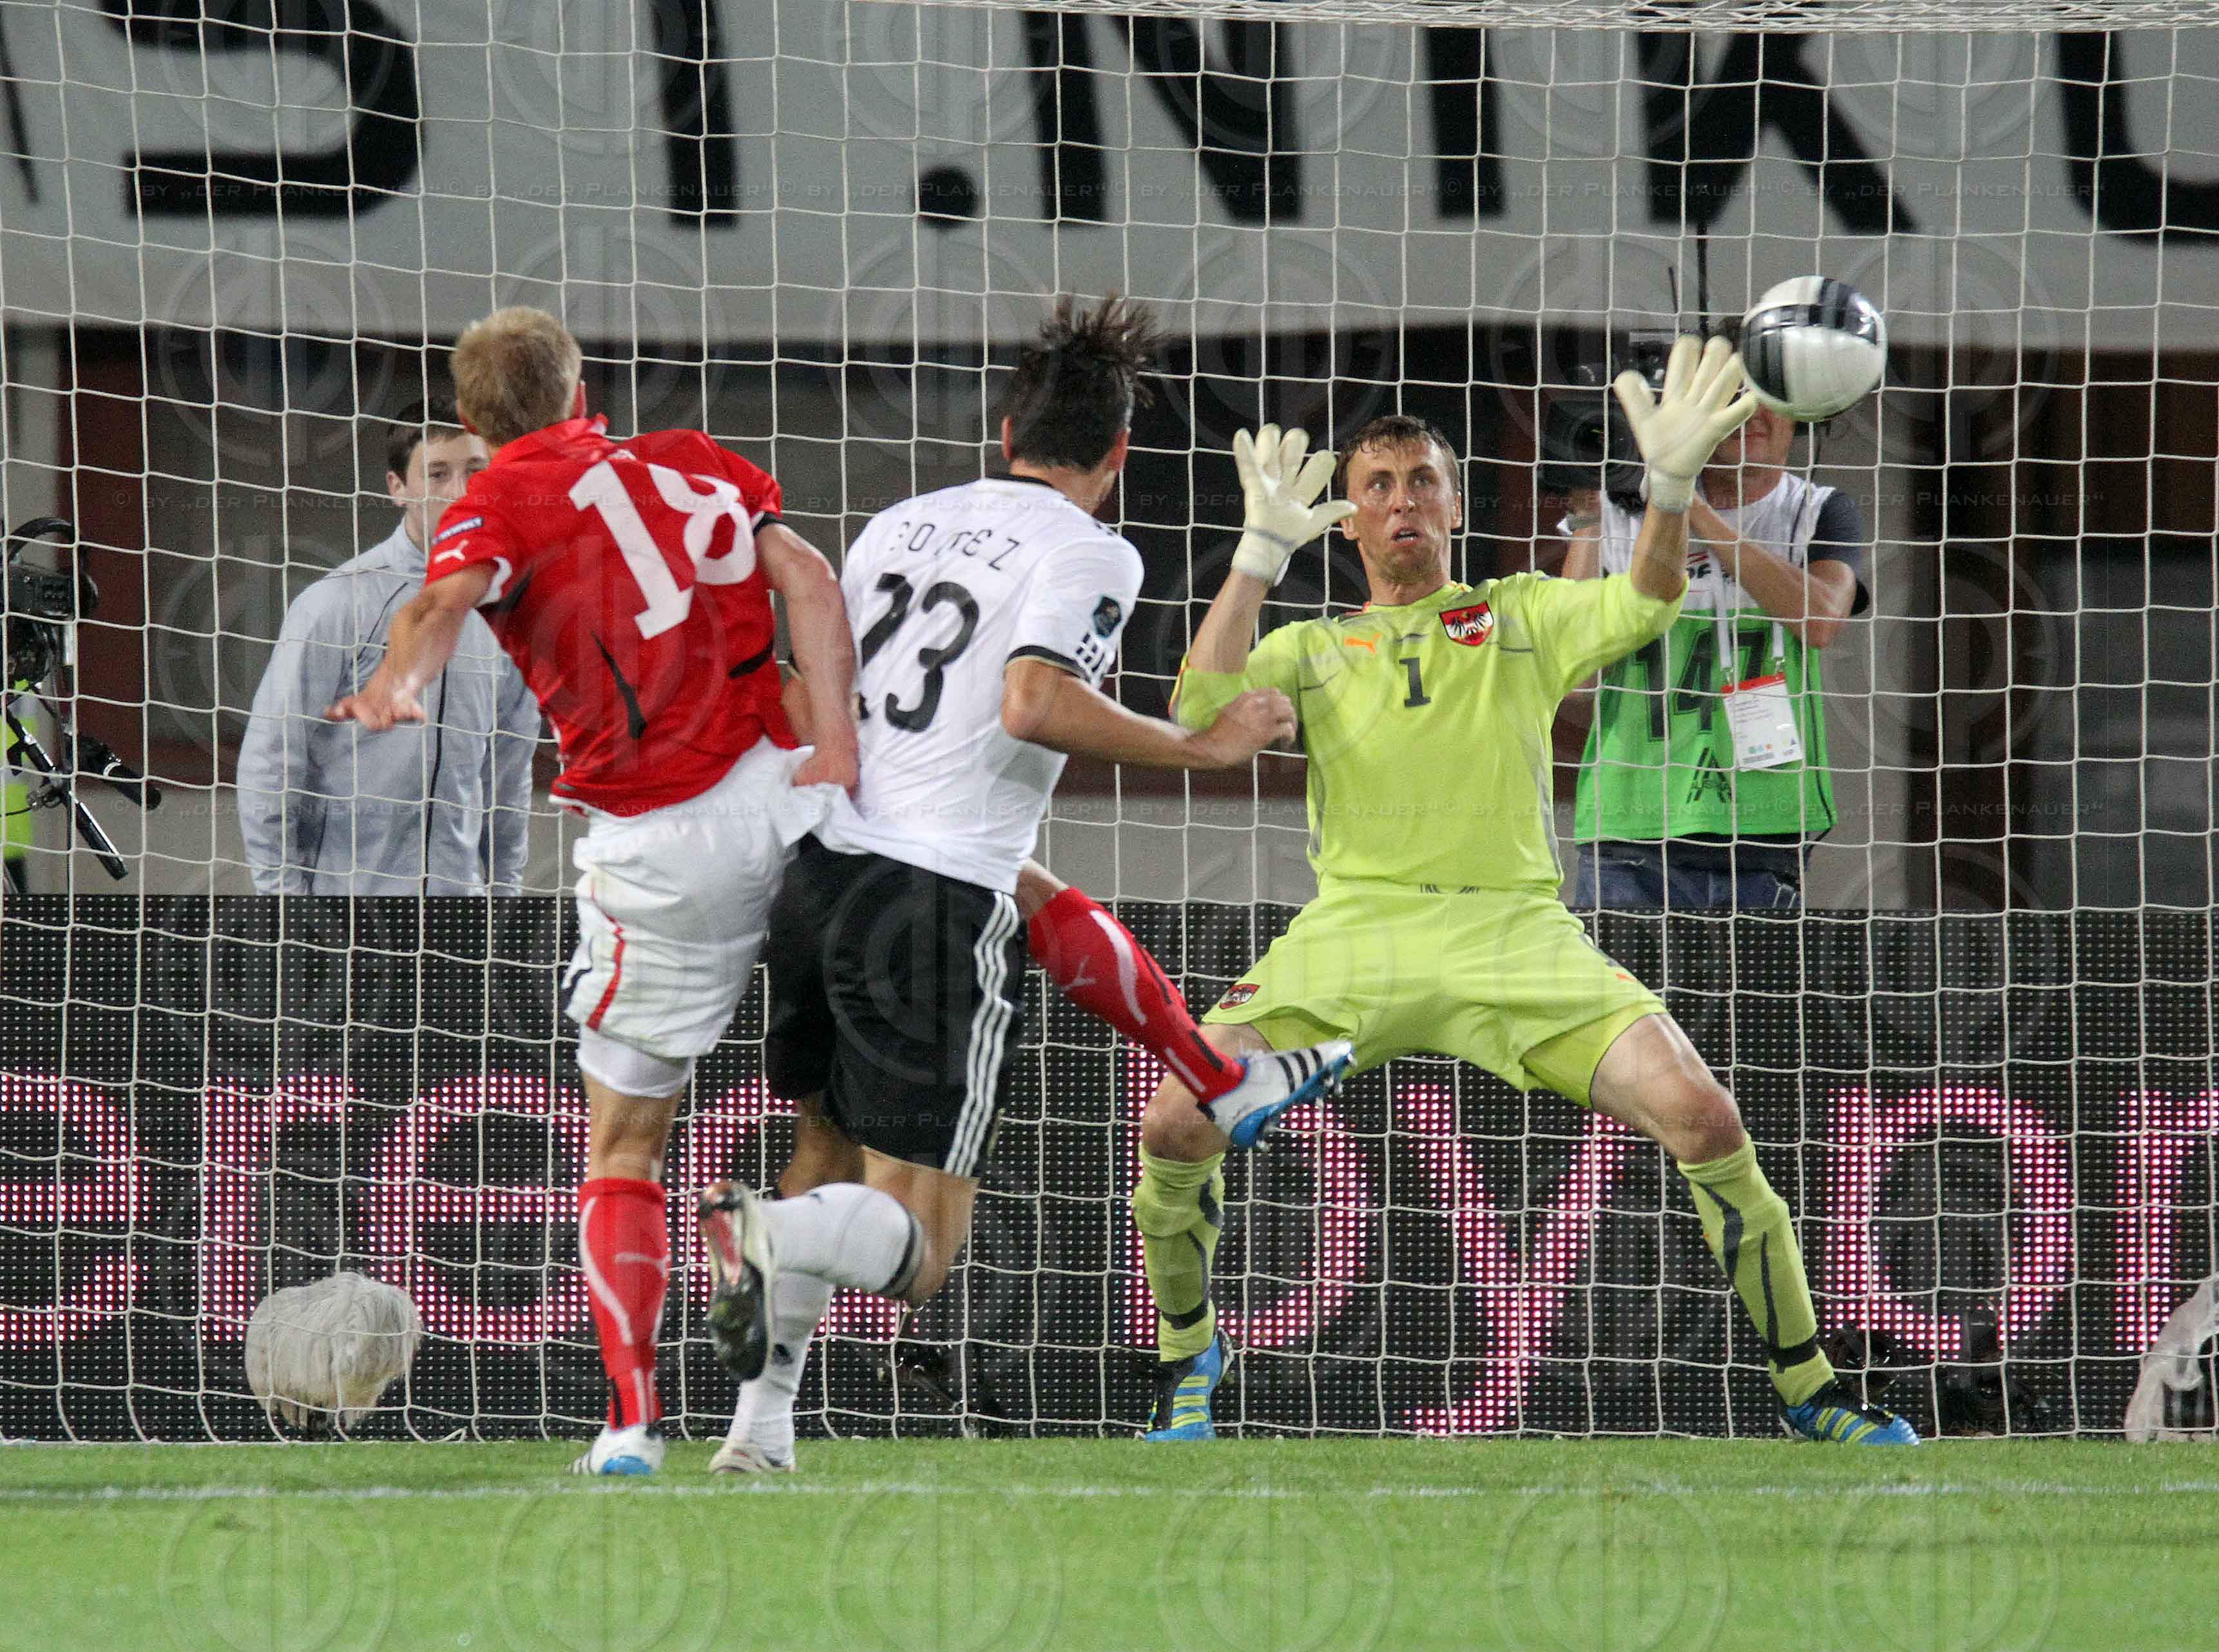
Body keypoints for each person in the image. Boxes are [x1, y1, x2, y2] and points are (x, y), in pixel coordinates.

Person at [1135, 338, 1917, 1445]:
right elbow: (1194, 702)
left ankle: (1811, 1389)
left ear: (1453, 507)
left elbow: (1645, 597)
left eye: (1421, 482)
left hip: (1511, 930)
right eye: (1376, 486)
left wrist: (1668, 489)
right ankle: (1185, 1363)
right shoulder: (1312, 644)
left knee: (1703, 1116)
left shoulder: (1514, 612)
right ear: (1348, 521)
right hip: (1353, 932)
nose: (1400, 500)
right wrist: (1256, 554)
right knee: (1172, 1119)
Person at [700, 295, 1354, 1476]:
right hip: (928, 908)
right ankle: (763, 1235)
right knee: (918, 1245)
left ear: (1003, 432)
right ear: (1115, 456)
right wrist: (1201, 744)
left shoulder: (895, 523)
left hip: (820, 869)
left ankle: (758, 1429)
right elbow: (1032, 700)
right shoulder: (1090, 548)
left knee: (826, 1149)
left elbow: (833, 692)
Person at [327, 306, 863, 1476]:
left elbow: (438, 603)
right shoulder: (692, 459)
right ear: (582, 388)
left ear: (471, 422)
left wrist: (396, 684)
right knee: (830, 1105)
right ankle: (764, 1399)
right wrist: (836, 746)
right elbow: (810, 577)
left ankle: (630, 1420)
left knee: (625, 1148)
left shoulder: (496, 497)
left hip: (663, 842)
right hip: (797, 795)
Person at [1559, 385, 1871, 909]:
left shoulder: (1820, 510)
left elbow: (1819, 619)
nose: (1750, 414)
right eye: (1731, 397)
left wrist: (1687, 502)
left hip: (1762, 822)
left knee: (1756, 996)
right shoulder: (1619, 514)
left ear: (1798, 414)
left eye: (1763, 397)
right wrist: (1591, 518)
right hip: (1630, 817)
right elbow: (1574, 673)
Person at [237, 405, 541, 895]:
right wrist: (283, 902)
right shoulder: (335, 604)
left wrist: (503, 893)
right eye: (438, 474)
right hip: (343, 911)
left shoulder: (510, 610)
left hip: (457, 914)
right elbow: (270, 759)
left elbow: (509, 767)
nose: (461, 491)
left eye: (475, 472)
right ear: (397, 488)